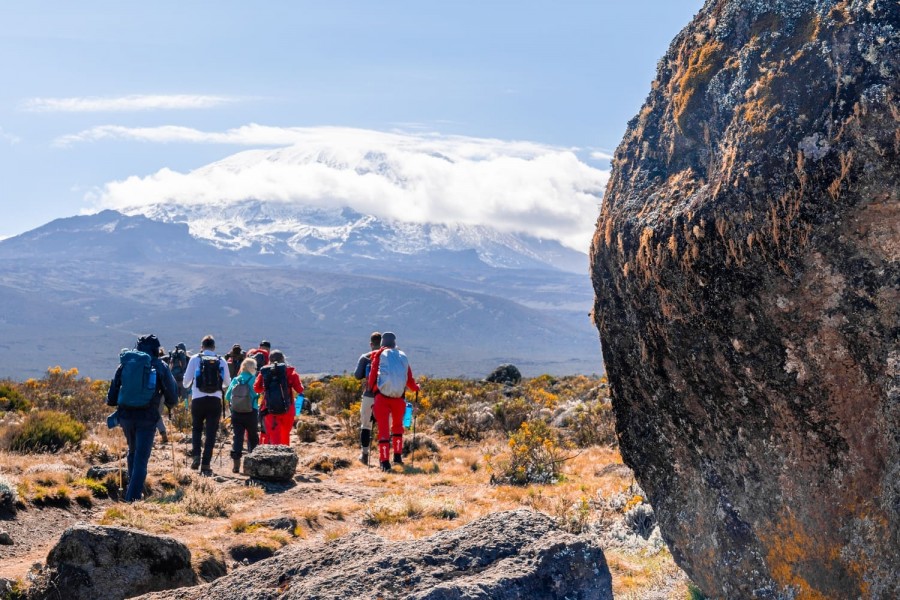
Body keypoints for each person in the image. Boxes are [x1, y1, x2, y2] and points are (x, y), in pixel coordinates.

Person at [106, 334, 177, 501]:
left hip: (126, 416)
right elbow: (172, 397)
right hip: (148, 417)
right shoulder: (161, 366)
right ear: (157, 349)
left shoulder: (126, 364)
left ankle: (132, 492)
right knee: (141, 458)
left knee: (133, 451)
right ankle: (133, 498)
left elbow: (111, 397)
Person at [367, 332, 419, 472]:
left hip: (382, 398)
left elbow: (372, 375)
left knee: (383, 429)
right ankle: (397, 457)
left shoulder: (379, 354)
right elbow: (409, 379)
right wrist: (416, 388)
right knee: (397, 427)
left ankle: (384, 462)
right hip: (399, 399)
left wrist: (371, 388)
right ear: (395, 343)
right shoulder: (402, 356)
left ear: (383, 343)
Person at [181, 335, 231, 476]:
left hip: (198, 399)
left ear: (201, 347)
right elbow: (227, 382)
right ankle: (206, 464)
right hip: (215, 400)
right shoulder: (221, 360)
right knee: (211, 433)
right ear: (214, 348)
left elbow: (186, 382)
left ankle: (196, 455)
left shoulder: (195, 359)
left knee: (196, 429)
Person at [254, 350, 303, 446]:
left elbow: (257, 389)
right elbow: (300, 389)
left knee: (274, 435)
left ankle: (274, 457)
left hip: (269, 409)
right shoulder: (291, 372)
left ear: (269, 360)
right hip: (287, 409)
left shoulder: (264, 372)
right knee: (285, 435)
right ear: (283, 359)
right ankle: (285, 457)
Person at [225, 357, 260, 473]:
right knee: (253, 437)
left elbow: (227, 396)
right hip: (251, 412)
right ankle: (253, 463)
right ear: (252, 368)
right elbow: (258, 394)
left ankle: (236, 465)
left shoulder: (236, 379)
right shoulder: (254, 379)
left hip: (236, 413)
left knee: (238, 437)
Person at [353, 331, 382, 465]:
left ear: (371, 344)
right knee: (384, 427)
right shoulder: (389, 356)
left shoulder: (365, 357)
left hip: (369, 395)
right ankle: (384, 456)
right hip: (386, 396)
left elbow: (357, 375)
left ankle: (365, 454)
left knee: (366, 425)